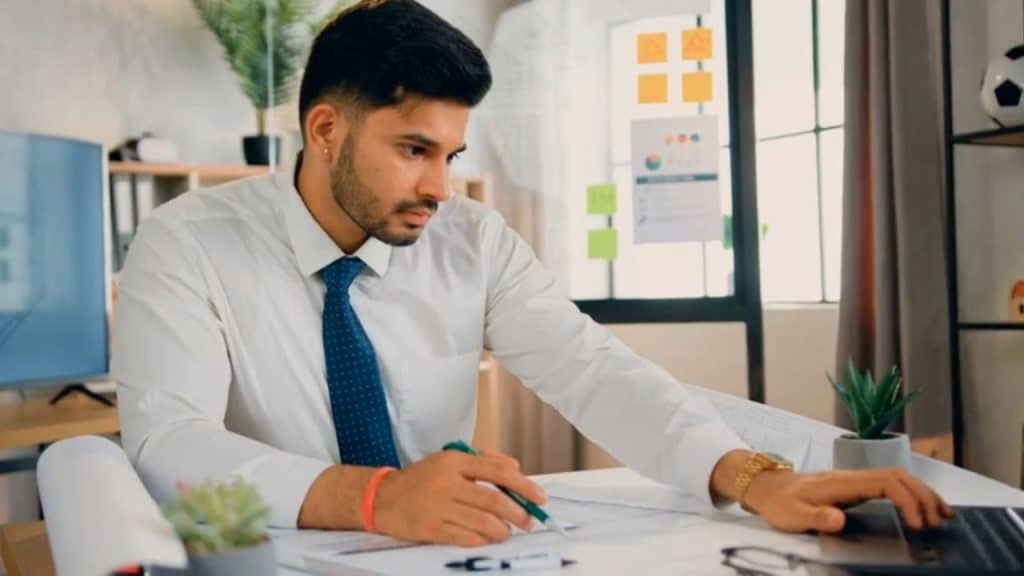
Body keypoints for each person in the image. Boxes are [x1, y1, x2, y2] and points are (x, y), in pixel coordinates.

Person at [113, 0, 952, 548]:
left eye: (451, 155)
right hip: (266, 560)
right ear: (326, 129)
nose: (440, 187)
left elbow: (592, 371)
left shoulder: (471, 239)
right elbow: (167, 443)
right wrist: (376, 498)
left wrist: (751, 476)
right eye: (413, 151)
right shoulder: (185, 245)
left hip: (441, 559)